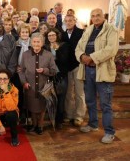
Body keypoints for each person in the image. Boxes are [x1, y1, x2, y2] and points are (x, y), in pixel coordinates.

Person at [75, 8, 119, 144]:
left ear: (103, 16)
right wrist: (82, 56)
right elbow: (78, 47)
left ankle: (109, 132)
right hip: (88, 71)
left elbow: (111, 49)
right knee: (90, 100)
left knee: (105, 104)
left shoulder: (111, 29)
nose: (95, 18)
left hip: (102, 70)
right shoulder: (88, 30)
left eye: (98, 15)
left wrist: (92, 58)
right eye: (93, 16)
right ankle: (93, 124)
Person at [19, 33, 57, 134]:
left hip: (43, 86)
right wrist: (24, 82)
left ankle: (40, 125)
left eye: (38, 42)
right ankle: (34, 124)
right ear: (31, 43)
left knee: (42, 106)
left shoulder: (48, 55)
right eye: (34, 41)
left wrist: (44, 70)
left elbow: (54, 70)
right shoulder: (25, 54)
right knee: (32, 106)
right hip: (30, 86)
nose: (36, 44)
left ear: (42, 43)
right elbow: (21, 70)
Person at [62, 14, 86, 126]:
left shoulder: (81, 33)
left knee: (79, 92)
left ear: (74, 21)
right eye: (66, 21)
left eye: (70, 20)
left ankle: (79, 116)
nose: (68, 22)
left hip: (78, 65)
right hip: (67, 67)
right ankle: (69, 114)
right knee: (68, 92)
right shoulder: (62, 35)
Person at [45, 28, 69, 128]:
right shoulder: (45, 47)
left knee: (61, 98)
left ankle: (59, 120)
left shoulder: (63, 46)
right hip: (49, 76)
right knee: (51, 99)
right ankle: (52, 119)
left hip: (61, 76)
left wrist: (56, 50)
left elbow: (64, 60)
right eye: (49, 36)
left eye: (53, 35)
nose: (51, 37)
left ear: (57, 36)